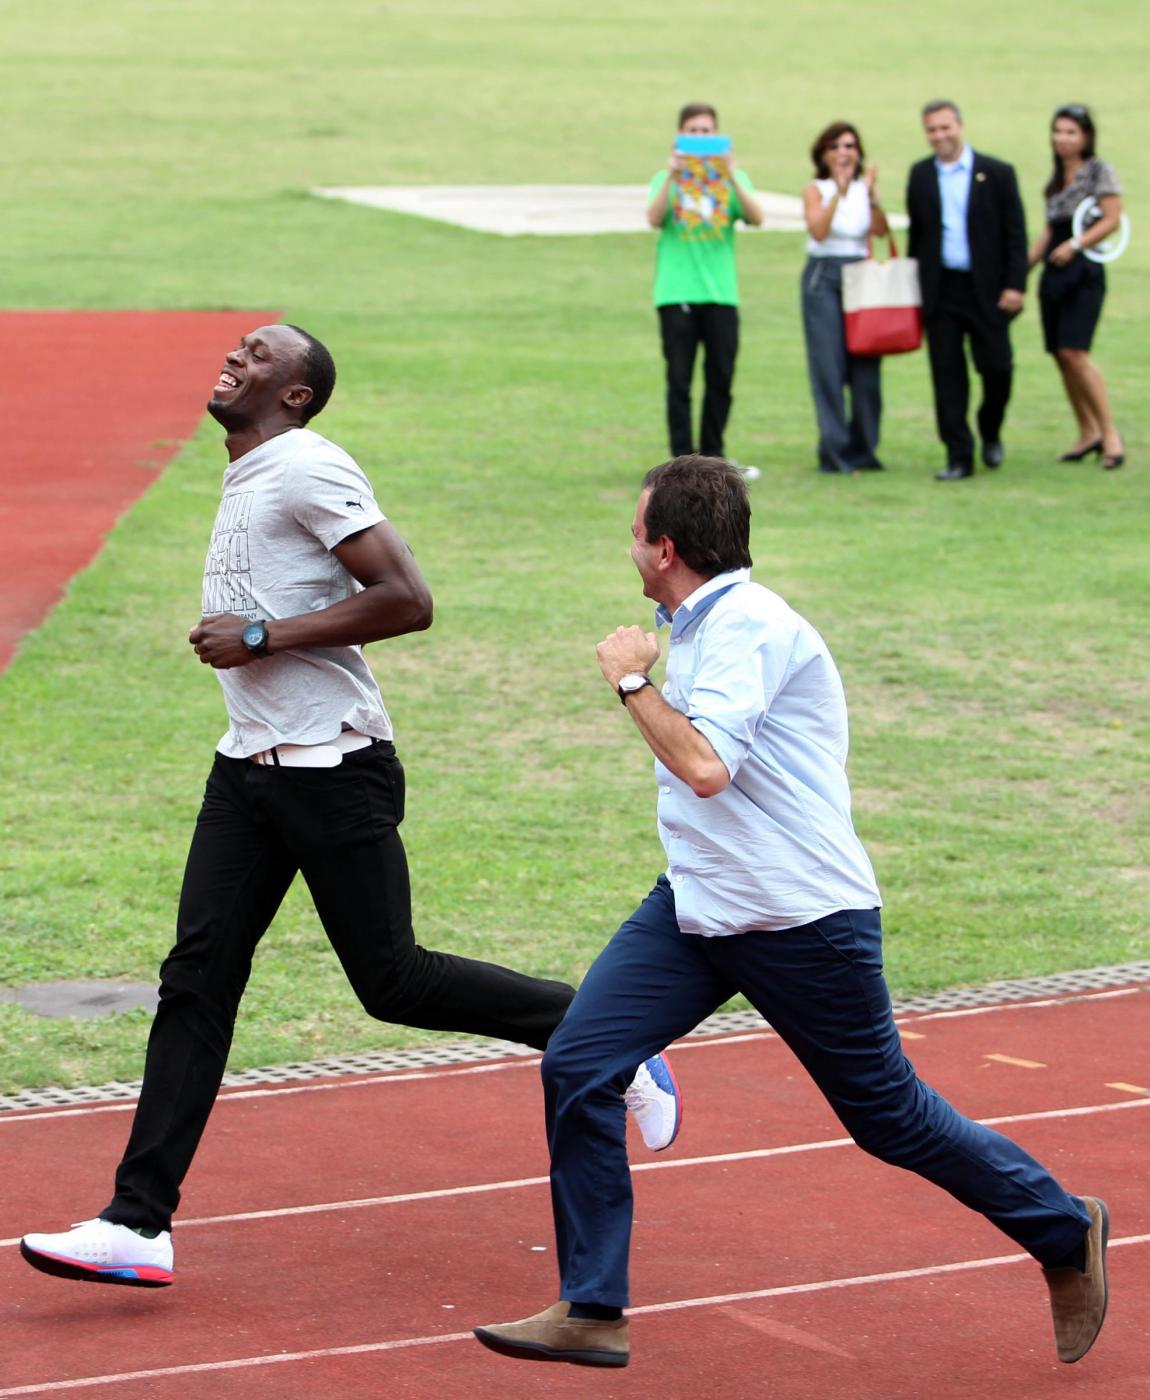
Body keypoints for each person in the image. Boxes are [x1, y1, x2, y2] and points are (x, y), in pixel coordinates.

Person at [19, 324, 680, 1288]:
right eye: (239, 344)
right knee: (196, 982)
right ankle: (137, 1223)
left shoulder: (308, 466)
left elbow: (408, 598)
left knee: (394, 982)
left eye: (260, 354)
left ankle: (611, 1042)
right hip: (247, 766)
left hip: (333, 766)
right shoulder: (249, 469)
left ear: (295, 395)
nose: (236, 356)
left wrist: (261, 634)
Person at [472, 455, 1109, 1371]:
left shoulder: (749, 628)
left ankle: (1063, 1229)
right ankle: (593, 1306)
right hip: (698, 909)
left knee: (889, 1117)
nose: (629, 547)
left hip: (799, 918)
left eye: (635, 532)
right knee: (580, 1060)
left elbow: (705, 767)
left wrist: (630, 683)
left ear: (665, 548)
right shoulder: (695, 625)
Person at [906, 101, 1028, 480]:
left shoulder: (997, 172)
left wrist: (1015, 285)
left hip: (987, 289)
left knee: (997, 366)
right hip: (941, 289)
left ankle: (990, 429)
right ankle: (959, 455)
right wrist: (916, 293)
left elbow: (1015, 234)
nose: (939, 135)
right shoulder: (921, 174)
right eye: (932, 129)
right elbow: (917, 237)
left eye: (945, 127)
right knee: (947, 375)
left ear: (960, 126)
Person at [647, 102, 765, 474]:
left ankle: (713, 459)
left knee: (721, 377)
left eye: (706, 131)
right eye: (692, 131)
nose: (700, 137)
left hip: (720, 294)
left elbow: (757, 217)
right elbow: (654, 218)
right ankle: (681, 465)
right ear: (680, 136)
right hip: (677, 292)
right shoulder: (666, 178)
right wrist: (672, 176)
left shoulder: (731, 180)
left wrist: (730, 175)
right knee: (679, 380)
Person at [1027, 104, 1125, 469]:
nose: (1063, 139)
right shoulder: (1056, 178)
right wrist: (1023, 268)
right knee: (1060, 354)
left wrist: (1076, 245)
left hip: (1083, 271)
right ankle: (1087, 432)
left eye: (1071, 132)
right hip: (1054, 271)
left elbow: (1112, 219)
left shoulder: (1099, 171)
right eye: (1058, 131)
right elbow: (1049, 229)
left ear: (1085, 136)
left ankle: (1110, 433)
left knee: (1076, 352)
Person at [801, 121, 890, 474]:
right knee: (829, 367)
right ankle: (834, 453)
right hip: (824, 276)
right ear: (823, 154)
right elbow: (819, 231)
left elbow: (880, 232)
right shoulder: (817, 190)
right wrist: (838, 194)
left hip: (860, 276)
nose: (843, 152)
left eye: (850, 146)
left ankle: (864, 449)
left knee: (867, 367)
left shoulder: (865, 189)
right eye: (835, 146)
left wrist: (873, 197)